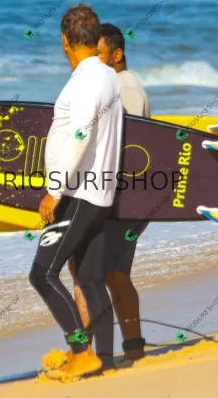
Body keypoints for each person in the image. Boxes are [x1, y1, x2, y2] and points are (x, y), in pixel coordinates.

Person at [29, 4, 124, 379]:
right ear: (97, 39)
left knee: (43, 274)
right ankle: (105, 359)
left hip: (79, 192)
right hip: (100, 192)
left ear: (65, 41)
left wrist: (55, 190)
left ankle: (82, 352)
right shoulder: (108, 76)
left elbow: (81, 137)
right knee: (89, 278)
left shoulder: (85, 81)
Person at [68, 23, 151, 365]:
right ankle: (131, 349)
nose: (92, 61)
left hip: (120, 201)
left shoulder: (124, 87)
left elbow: (128, 145)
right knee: (111, 273)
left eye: (98, 54)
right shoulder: (115, 84)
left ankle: (87, 353)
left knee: (91, 272)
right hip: (120, 199)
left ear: (117, 55)